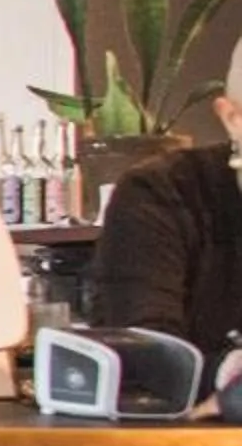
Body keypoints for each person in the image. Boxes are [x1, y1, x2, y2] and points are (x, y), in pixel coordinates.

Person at [93, 34, 242, 384]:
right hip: (192, 436)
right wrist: (230, 377)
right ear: (232, 117)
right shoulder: (160, 194)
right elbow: (146, 352)